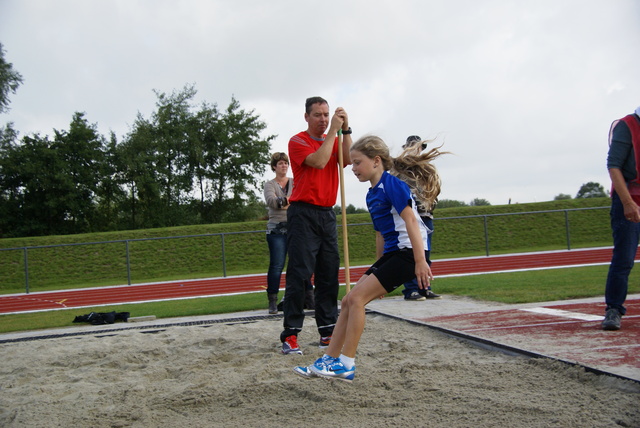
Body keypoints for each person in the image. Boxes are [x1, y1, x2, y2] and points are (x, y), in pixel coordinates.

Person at [294, 135, 446, 381]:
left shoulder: (393, 185)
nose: (352, 169)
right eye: (352, 163)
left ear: (376, 161)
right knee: (347, 301)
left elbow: (411, 223)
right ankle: (329, 359)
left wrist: (421, 260)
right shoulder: (371, 195)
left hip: (409, 253)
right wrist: (377, 270)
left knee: (356, 300)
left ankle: (347, 363)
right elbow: (381, 235)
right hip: (393, 254)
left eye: (357, 163)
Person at [280, 96, 352, 355]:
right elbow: (320, 161)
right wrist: (333, 130)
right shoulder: (297, 141)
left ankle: (327, 330)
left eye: (326, 114)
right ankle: (290, 335)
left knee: (328, 273)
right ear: (307, 116)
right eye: (318, 115)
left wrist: (346, 130)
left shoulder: (334, 137)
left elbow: (346, 160)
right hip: (303, 213)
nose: (323, 119)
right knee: (300, 275)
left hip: (327, 213)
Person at [601, 106, 640, 331]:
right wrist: (627, 203)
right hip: (629, 196)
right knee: (624, 258)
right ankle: (613, 309)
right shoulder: (627, 125)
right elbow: (614, 166)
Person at [398, 135, 441, 301]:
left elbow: (434, 189)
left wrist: (431, 204)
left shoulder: (427, 168)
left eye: (418, 147)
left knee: (426, 254)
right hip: (410, 216)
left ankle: (425, 287)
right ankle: (411, 289)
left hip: (426, 215)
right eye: (412, 146)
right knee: (411, 253)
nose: (416, 150)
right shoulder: (401, 169)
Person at [263, 152, 294, 314]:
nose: (284, 166)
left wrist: (284, 202)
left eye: (286, 163)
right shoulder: (270, 185)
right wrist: (291, 200)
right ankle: (272, 300)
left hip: (295, 228)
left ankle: (305, 296)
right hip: (276, 229)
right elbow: (273, 202)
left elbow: (302, 200)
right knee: (277, 265)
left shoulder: (295, 182)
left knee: (298, 264)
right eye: (281, 163)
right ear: (274, 166)